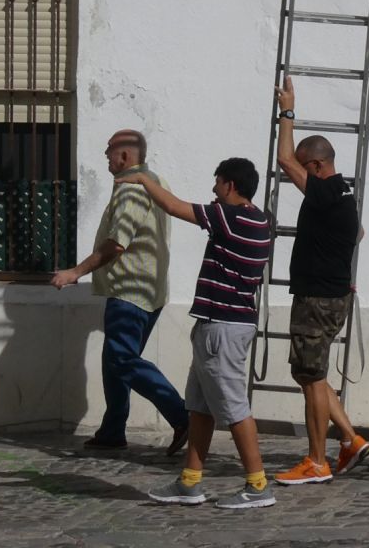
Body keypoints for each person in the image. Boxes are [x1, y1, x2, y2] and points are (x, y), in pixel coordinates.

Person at [120, 157, 276, 510]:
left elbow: (174, 206)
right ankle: (190, 482)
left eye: (217, 182)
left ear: (231, 186)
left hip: (223, 326)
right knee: (201, 408)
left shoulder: (231, 217)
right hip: (219, 324)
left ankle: (258, 485)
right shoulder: (260, 219)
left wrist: (144, 179)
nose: (213, 190)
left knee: (234, 407)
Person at [50, 129, 189, 454]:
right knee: (115, 359)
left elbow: (116, 245)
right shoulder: (156, 181)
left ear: (125, 156)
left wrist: (75, 273)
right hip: (149, 289)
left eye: (110, 150)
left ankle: (182, 415)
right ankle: (113, 429)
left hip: (131, 291)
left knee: (122, 359)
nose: (105, 156)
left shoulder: (131, 191)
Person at [270, 77, 369, 485]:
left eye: (305, 168)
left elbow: (284, 160)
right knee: (311, 374)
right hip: (331, 296)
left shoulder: (327, 192)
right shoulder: (342, 196)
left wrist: (289, 111)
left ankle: (316, 460)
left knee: (310, 379)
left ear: (316, 166)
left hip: (317, 300)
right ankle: (350, 439)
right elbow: (358, 234)